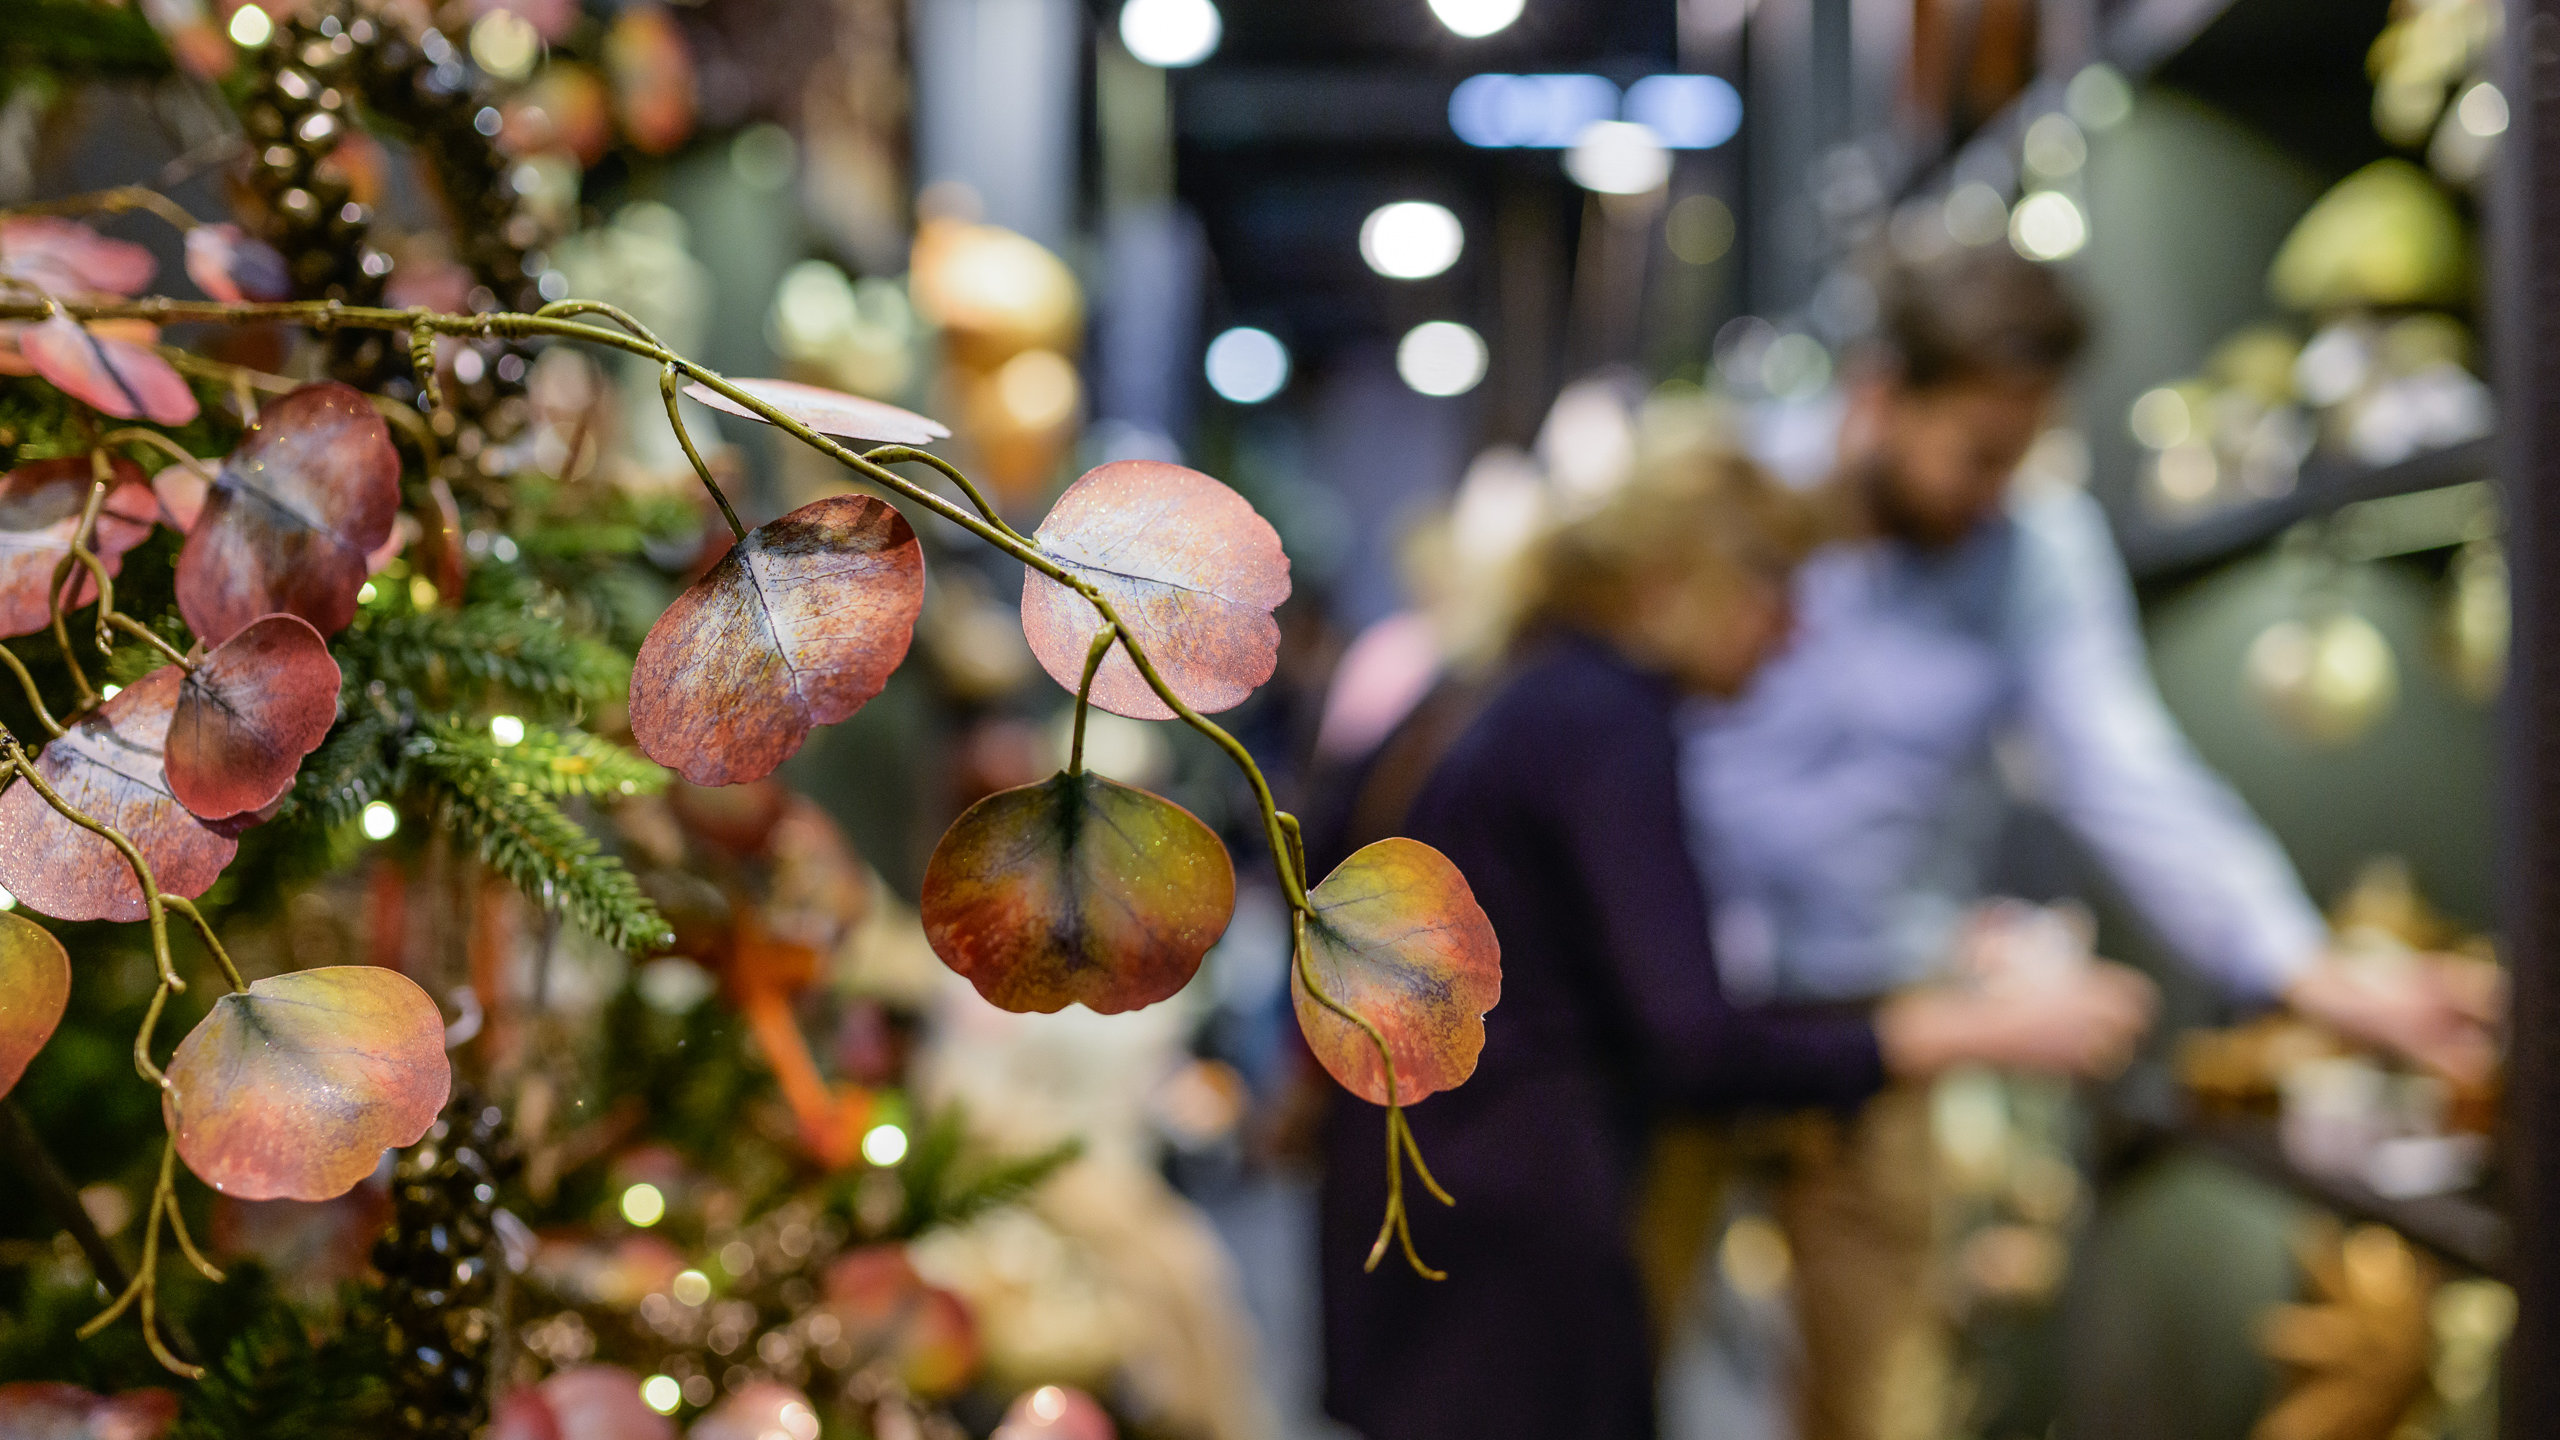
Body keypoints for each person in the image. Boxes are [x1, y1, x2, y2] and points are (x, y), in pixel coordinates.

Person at [1665, 246, 2502, 1440]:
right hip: (1678, 1000)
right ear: (1878, 395)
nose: (1996, 489)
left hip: (1878, 1023)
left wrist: (2306, 970)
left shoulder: (2033, 547)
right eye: (1978, 453)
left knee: (1875, 1399)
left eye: (2023, 453)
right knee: (1619, 1354)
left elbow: (2125, 769)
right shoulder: (1740, 495)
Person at [1316, 447, 2158, 1440]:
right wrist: (1971, 1032)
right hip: (1511, 1225)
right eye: (1778, 590)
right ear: (1682, 575)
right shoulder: (1603, 718)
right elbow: (1693, 1046)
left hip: (1430, 1179)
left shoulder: (1517, 687)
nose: (1793, 633)